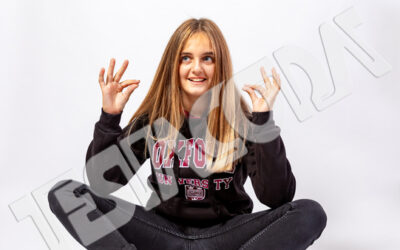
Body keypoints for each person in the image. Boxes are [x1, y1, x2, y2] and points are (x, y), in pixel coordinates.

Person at [47, 18, 327, 250]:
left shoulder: (241, 122)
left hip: (224, 237)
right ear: (174, 65)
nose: (196, 68)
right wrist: (110, 117)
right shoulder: (153, 119)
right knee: (65, 193)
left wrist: (263, 121)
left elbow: (278, 198)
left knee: (310, 212)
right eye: (186, 58)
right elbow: (104, 182)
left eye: (207, 58)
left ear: (220, 66)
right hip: (161, 233)